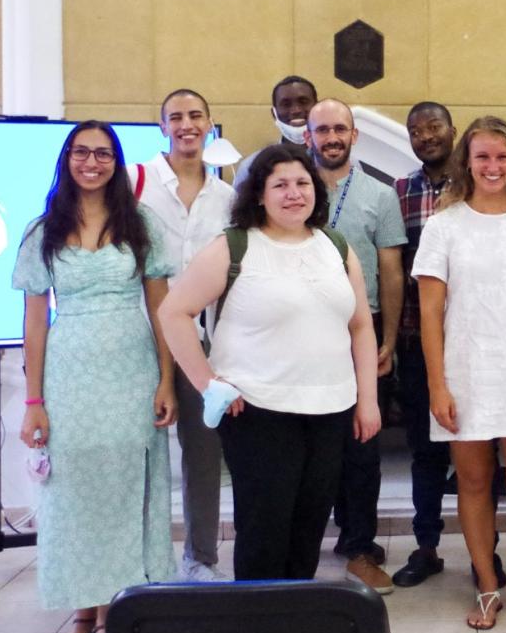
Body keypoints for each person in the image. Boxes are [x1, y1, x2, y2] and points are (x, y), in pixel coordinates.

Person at [159, 145, 381, 582]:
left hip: (331, 410)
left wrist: (368, 400)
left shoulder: (336, 247)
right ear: (259, 195)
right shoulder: (234, 246)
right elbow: (173, 312)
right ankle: (256, 618)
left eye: (302, 183)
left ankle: (294, 616)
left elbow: (360, 326)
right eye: (280, 185)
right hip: (259, 412)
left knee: (309, 525)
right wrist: (209, 384)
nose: (293, 194)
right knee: (265, 529)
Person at [15, 121, 177, 633]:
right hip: (68, 374)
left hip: (131, 370)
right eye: (82, 152)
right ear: (67, 160)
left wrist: (166, 379)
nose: (92, 162)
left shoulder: (141, 224)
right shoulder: (44, 230)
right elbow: (34, 322)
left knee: (125, 489)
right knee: (74, 494)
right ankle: (81, 613)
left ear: (116, 162)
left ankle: (112, 616)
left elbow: (162, 308)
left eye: (103, 153)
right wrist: (33, 401)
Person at [413, 116, 506, 629]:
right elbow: (430, 311)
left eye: (502, 157)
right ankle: (487, 585)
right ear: (466, 163)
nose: (493, 166)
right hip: (466, 371)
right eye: (483, 157)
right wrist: (438, 385)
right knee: (474, 484)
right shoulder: (443, 226)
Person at [129, 88, 234, 583]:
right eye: (176, 117)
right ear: (162, 126)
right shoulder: (133, 181)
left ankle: (200, 559)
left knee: (203, 454)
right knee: (134, 451)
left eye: (195, 116)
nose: (186, 124)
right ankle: (132, 558)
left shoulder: (227, 197)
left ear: (210, 123)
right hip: (137, 335)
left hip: (201, 339)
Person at [305, 99, 406, 594]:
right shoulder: (292, 187)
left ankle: (361, 546)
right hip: (302, 334)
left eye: (340, 129)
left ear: (354, 135)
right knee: (316, 445)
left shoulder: (380, 195)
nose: (332, 137)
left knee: (363, 444)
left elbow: (391, 270)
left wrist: (388, 339)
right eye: (322, 129)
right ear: (308, 136)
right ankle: (319, 542)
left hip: (363, 330)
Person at [391, 102, 463, 587]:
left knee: (479, 451)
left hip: (474, 337)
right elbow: (395, 266)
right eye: (416, 131)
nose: (426, 137)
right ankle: (427, 546)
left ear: (452, 130)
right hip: (418, 337)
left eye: (434, 127)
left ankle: (485, 551)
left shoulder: (476, 184)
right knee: (425, 450)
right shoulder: (400, 192)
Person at [234, 75, 318, 186]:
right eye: (286, 104)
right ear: (274, 114)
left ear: (317, 108)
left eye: (303, 102)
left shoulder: (334, 159)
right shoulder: (251, 166)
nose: (296, 110)